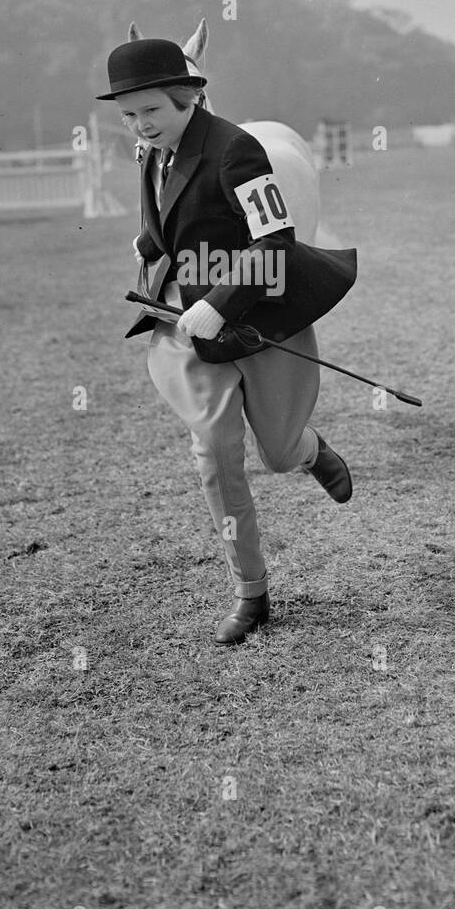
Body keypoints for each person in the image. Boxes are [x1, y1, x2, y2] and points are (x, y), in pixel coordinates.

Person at [99, 37, 358, 644]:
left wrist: (219, 302)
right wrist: (149, 243)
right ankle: (251, 592)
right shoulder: (150, 152)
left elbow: (274, 241)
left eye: (152, 112)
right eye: (130, 115)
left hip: (260, 318)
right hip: (185, 331)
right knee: (215, 453)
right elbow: (168, 218)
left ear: (187, 98)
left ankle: (309, 450)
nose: (140, 126)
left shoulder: (236, 149)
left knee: (276, 449)